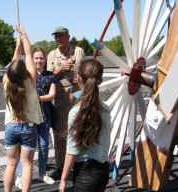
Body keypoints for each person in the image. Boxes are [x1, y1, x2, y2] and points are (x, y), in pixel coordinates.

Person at [59, 59, 111, 192]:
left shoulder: (76, 112)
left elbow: (72, 151)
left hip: (84, 173)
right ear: (100, 81)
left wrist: (63, 180)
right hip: (103, 170)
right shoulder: (105, 109)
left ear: (78, 78)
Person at [3, 25, 44, 192]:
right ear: (25, 72)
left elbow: (14, 66)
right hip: (28, 127)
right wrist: (24, 33)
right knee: (26, 166)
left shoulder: (6, 82)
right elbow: (29, 55)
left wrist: (16, 48)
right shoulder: (31, 80)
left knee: (11, 164)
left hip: (11, 126)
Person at [47, 26, 86, 178]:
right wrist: (61, 68)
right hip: (61, 99)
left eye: (61, 36)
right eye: (56, 36)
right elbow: (49, 78)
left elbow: (85, 71)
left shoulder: (78, 51)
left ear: (68, 37)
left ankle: (78, 164)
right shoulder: (52, 55)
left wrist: (80, 78)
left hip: (77, 96)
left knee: (79, 131)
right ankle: (60, 166)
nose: (58, 39)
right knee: (60, 133)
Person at [15, 47, 56, 188]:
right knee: (26, 148)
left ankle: (42, 173)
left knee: (44, 147)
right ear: (32, 60)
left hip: (44, 116)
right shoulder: (27, 75)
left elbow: (52, 95)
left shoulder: (50, 75)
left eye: (41, 58)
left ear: (45, 60)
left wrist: (37, 98)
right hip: (29, 117)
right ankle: (20, 177)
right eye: (36, 58)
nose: (38, 61)